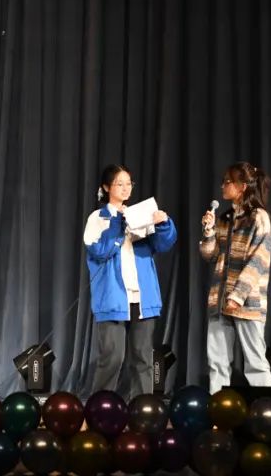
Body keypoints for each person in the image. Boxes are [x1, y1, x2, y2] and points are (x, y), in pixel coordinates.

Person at [84, 164, 177, 398]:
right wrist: (118, 223)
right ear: (106, 187)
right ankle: (100, 408)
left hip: (142, 297)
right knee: (112, 357)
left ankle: (142, 410)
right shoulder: (98, 218)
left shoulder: (139, 214)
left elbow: (163, 244)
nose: (126, 188)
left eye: (129, 183)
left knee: (143, 357)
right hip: (113, 298)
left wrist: (163, 224)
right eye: (119, 183)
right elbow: (100, 251)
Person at [199, 162, 271, 393]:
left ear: (242, 187)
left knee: (256, 363)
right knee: (217, 363)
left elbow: (259, 260)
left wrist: (238, 295)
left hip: (247, 303)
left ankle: (267, 409)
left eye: (228, 181)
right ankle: (218, 408)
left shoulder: (259, 217)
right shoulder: (225, 218)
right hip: (220, 301)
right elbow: (211, 256)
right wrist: (209, 232)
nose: (223, 185)